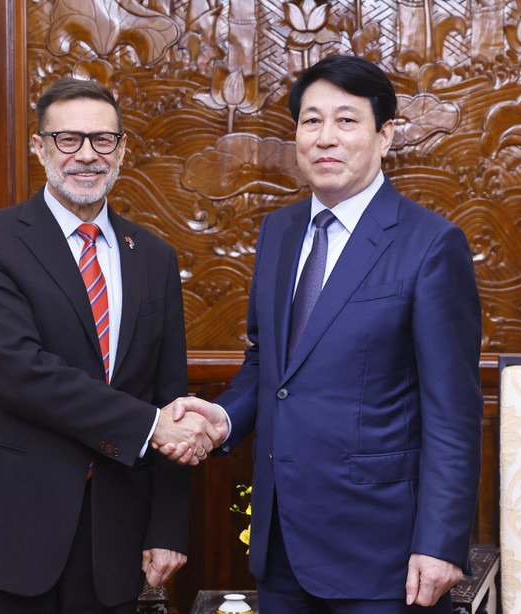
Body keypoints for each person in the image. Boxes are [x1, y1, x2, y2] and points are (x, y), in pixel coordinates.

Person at [158, 55, 483, 613]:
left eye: (347, 120)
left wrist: (440, 542)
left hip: (383, 553)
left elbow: (453, 411)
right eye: (311, 121)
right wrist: (226, 416)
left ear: (386, 136)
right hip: (281, 540)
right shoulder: (279, 231)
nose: (325, 138)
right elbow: (270, 364)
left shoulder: (431, 245)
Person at [0, 78, 222, 614]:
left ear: (122, 149)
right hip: (8, 524)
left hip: (114, 530)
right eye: (68, 139)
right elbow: (20, 371)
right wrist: (153, 426)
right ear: (39, 148)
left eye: (102, 140)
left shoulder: (152, 254)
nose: (87, 155)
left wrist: (167, 525)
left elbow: (169, 390)